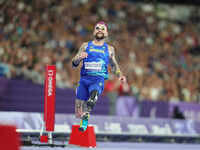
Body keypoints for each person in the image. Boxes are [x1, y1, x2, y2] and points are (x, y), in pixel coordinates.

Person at [72, 21, 126, 131]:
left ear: (106, 33)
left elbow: (114, 65)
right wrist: (79, 58)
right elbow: (74, 63)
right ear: (93, 31)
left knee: (93, 97)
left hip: (98, 80)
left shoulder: (110, 49)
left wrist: (120, 75)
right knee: (78, 112)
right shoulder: (85, 45)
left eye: (103, 28)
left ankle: (86, 116)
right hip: (84, 80)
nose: (100, 30)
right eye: (97, 28)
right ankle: (83, 117)